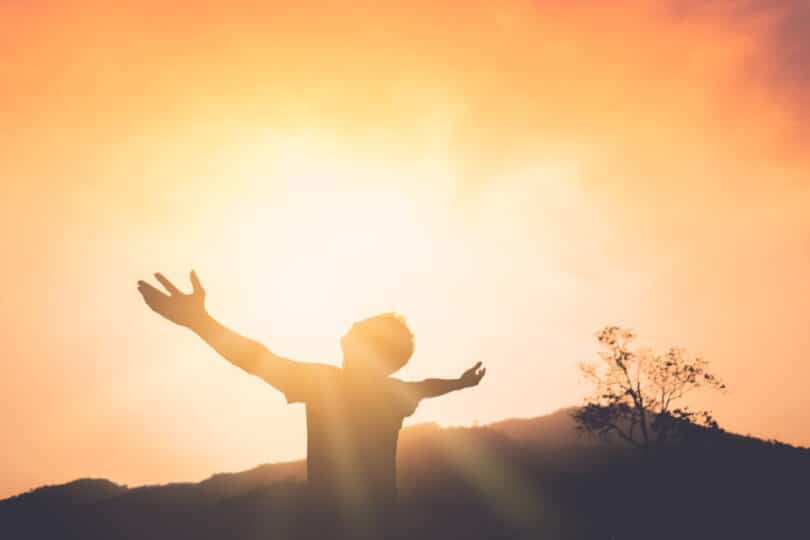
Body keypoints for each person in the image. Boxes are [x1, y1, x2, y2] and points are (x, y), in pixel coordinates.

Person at [137, 270, 486, 534]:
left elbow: (255, 357)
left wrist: (200, 321)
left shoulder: (325, 385)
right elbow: (426, 387)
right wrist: (459, 383)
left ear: (367, 349)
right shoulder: (392, 395)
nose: (343, 333)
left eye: (353, 331)